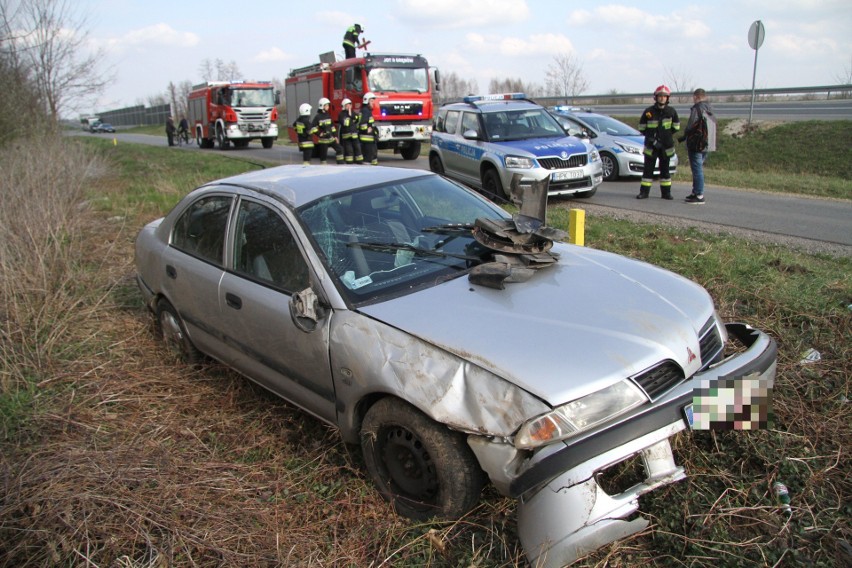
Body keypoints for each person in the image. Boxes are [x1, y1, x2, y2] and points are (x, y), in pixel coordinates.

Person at [636, 85, 680, 200]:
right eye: (660, 96)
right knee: (648, 171)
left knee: (665, 172)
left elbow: (676, 127)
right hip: (651, 146)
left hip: (666, 147)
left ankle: (666, 193)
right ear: (656, 97)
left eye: (664, 96)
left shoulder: (671, 112)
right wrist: (651, 137)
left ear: (667, 98)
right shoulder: (648, 112)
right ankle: (644, 193)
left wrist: (665, 136)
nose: (662, 98)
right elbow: (641, 127)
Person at [680, 88, 717, 204]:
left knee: (697, 169)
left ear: (696, 96)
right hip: (708, 143)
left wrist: (685, 136)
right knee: (698, 168)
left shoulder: (697, 108)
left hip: (697, 144)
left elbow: (691, 125)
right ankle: (695, 192)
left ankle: (699, 195)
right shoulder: (710, 108)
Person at [311, 97, 344, 164]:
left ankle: (340, 164)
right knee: (323, 157)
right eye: (326, 105)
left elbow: (332, 127)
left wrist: (335, 137)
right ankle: (323, 169)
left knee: (340, 149)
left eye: (328, 105)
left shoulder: (328, 115)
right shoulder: (318, 117)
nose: (328, 107)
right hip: (323, 141)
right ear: (322, 106)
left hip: (331, 139)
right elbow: (312, 127)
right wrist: (319, 134)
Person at [338, 98, 363, 164]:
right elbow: (346, 123)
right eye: (347, 105)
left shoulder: (352, 113)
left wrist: (351, 116)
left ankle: (359, 161)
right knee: (349, 150)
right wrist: (352, 119)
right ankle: (349, 161)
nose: (349, 106)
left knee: (358, 148)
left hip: (354, 135)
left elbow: (357, 119)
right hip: (347, 136)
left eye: (350, 105)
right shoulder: (341, 114)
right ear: (344, 106)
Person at [359, 92, 379, 165]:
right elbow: (362, 123)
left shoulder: (367, 111)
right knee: (367, 158)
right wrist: (366, 129)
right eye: (371, 101)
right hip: (366, 139)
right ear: (367, 101)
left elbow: (370, 123)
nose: (373, 103)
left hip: (370, 138)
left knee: (372, 156)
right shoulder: (365, 111)